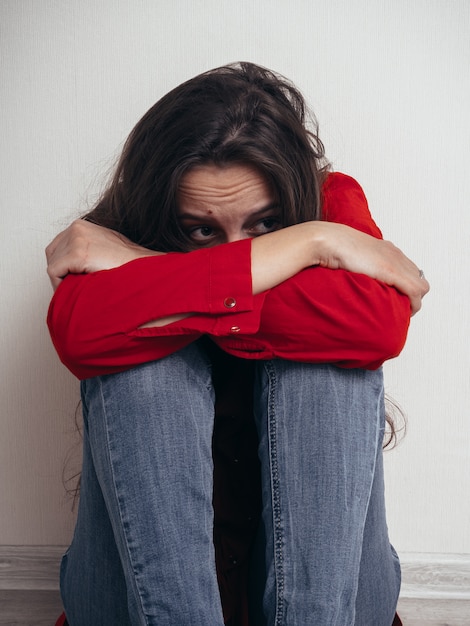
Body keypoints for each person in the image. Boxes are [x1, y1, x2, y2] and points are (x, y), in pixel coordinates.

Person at [46, 62, 429, 626]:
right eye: (201, 231)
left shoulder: (330, 205)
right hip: (137, 603)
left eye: (268, 226)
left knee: (324, 368)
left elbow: (375, 322)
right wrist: (302, 253)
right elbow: (79, 332)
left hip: (333, 602)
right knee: (141, 370)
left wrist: (154, 277)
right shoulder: (117, 231)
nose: (236, 248)